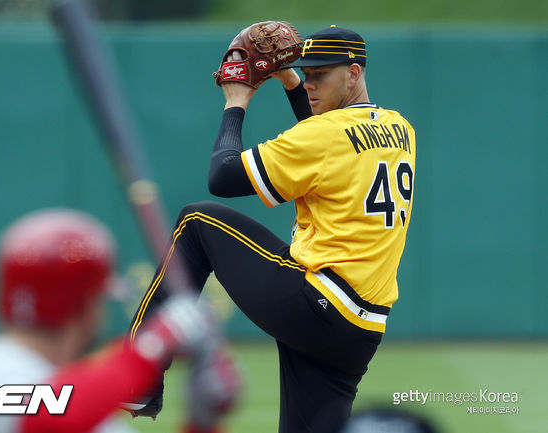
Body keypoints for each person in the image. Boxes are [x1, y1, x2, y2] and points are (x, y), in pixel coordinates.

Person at [124, 25, 416, 433]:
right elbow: (331, 143)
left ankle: (138, 375)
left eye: (320, 74)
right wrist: (291, 82)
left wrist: (236, 102)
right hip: (359, 333)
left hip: (317, 303)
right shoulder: (400, 128)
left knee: (197, 222)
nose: (310, 83)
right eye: (307, 73)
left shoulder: (323, 135)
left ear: (353, 73)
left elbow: (223, 177)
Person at [0, 208, 238, 433]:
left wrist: (201, 424)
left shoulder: (91, 413)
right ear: (85, 305)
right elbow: (53, 415)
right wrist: (155, 343)